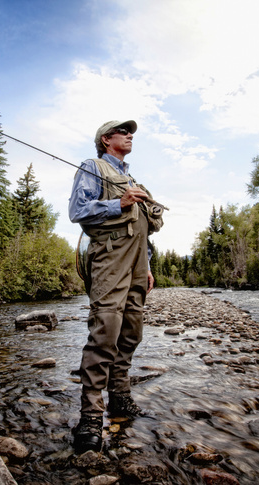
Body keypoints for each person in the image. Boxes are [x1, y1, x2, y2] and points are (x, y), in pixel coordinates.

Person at [68, 119, 162, 453]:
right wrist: (117, 204)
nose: (130, 135)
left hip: (137, 265)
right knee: (105, 332)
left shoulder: (134, 180)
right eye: (123, 131)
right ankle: (91, 417)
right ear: (107, 140)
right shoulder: (92, 167)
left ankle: (120, 399)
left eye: (131, 131)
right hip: (108, 259)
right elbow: (77, 211)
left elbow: (144, 229)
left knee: (131, 331)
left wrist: (147, 266)